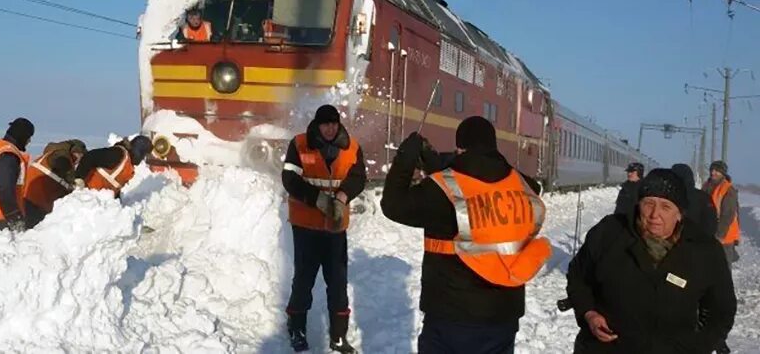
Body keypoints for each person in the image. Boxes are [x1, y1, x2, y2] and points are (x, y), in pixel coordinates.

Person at [381, 116, 549, 354]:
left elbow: (393, 205)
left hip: (452, 314)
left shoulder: (441, 190)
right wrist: (439, 166)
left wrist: (404, 160)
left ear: (460, 147)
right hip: (504, 315)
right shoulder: (523, 185)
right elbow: (479, 186)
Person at [566, 168, 736, 353]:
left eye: (666, 207)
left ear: (679, 213)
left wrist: (697, 347)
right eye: (648, 203)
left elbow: (721, 311)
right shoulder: (609, 234)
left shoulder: (704, 250)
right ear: (639, 204)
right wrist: (588, 313)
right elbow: (578, 278)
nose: (655, 215)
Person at [282, 104, 367, 353]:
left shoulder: (352, 147)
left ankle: (339, 336)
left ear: (338, 125)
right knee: (303, 281)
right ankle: (297, 328)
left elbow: (359, 177)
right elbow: (289, 179)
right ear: (317, 125)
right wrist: (317, 199)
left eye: (333, 123)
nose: (330, 128)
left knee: (338, 283)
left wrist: (341, 197)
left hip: (335, 228)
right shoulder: (299, 145)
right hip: (306, 227)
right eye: (325, 124)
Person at [23, 139, 87, 229]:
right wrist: (74, 179)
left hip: (29, 198)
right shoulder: (61, 155)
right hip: (37, 202)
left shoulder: (49, 155)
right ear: (75, 152)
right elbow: (62, 164)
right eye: (81, 156)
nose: (79, 161)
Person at [75, 136, 152, 198]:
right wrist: (78, 179)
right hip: (84, 197)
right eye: (143, 155)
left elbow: (114, 187)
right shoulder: (117, 154)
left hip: (99, 204)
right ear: (138, 150)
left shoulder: (127, 166)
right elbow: (90, 156)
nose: (143, 159)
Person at [702, 160, 741, 265]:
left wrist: (720, 235)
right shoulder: (706, 186)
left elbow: (728, 214)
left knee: (723, 265)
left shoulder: (728, 189)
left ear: (723, 173)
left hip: (724, 235)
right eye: (712, 170)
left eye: (717, 170)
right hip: (709, 232)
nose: (713, 173)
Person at [670, 163, 718, 237]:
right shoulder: (704, 197)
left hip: (672, 242)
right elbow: (711, 225)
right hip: (697, 242)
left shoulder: (668, 197)